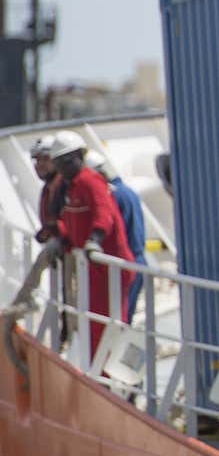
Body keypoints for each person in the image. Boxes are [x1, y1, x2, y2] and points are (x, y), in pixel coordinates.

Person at [47, 132, 134, 357]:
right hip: (92, 268)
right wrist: (61, 237)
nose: (63, 167)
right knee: (94, 324)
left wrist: (95, 239)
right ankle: (99, 376)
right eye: (59, 163)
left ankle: (109, 381)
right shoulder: (72, 187)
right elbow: (73, 221)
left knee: (108, 327)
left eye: (67, 161)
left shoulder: (89, 181)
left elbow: (103, 213)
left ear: (80, 156)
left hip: (108, 267)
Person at [87, 151, 147, 322]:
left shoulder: (113, 195)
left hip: (125, 261)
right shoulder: (127, 192)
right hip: (136, 260)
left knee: (118, 320)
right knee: (123, 318)